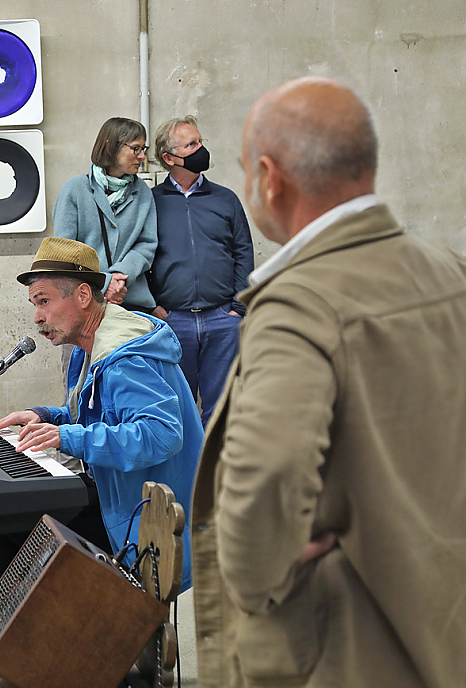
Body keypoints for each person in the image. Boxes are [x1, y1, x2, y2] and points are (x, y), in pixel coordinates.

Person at [192, 77, 466, 688]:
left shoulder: (298, 306)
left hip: (340, 650)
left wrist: (257, 583)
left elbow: (267, 471)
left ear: (269, 177)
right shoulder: (450, 272)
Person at [0, 237, 203, 590]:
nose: (37, 317)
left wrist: (68, 437)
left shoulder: (125, 358)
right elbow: (104, 417)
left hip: (145, 521)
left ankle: (16, 643)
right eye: (34, 304)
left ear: (84, 296)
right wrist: (48, 417)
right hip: (123, 500)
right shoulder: (91, 347)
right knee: (9, 521)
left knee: (3, 530)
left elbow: (161, 435)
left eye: (44, 302)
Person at [148, 116, 254, 427]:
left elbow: (243, 252)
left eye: (200, 141)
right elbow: (140, 256)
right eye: (192, 144)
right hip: (173, 322)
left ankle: (219, 477)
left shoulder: (226, 199)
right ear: (169, 158)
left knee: (224, 413)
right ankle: (184, 477)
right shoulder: (151, 204)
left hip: (223, 321)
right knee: (177, 415)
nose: (201, 149)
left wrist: (238, 308)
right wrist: (155, 308)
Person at [52, 117, 157, 313]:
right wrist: (105, 281)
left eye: (144, 149)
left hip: (131, 302)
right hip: (84, 304)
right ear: (111, 147)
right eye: (136, 148)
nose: (142, 156)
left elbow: (147, 243)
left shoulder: (143, 192)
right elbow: (63, 252)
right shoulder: (76, 189)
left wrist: (121, 276)